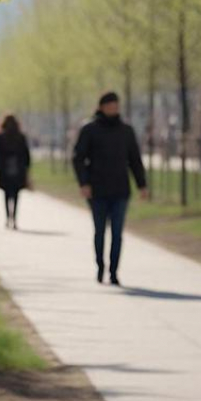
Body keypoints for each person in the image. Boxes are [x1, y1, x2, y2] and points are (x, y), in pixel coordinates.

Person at [73, 92, 147, 286]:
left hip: (120, 189)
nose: (114, 109)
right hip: (97, 190)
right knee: (99, 231)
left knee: (117, 233)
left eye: (116, 105)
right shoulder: (89, 130)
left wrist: (142, 185)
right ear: (102, 107)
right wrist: (84, 183)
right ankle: (100, 267)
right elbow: (78, 158)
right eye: (110, 105)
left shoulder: (126, 131)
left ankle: (114, 271)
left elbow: (135, 160)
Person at [0, 115, 31, 230]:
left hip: (5, 168)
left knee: (7, 195)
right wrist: (27, 168)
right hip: (18, 169)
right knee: (16, 195)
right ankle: (14, 219)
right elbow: (26, 154)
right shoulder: (21, 137)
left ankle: (8, 218)